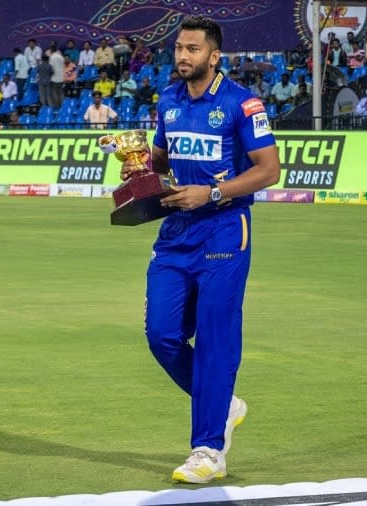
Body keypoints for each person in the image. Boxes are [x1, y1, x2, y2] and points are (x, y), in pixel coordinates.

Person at [120, 14, 280, 485]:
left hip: (226, 229)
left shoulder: (242, 103)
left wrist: (212, 193)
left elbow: (269, 170)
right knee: (162, 336)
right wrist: (135, 159)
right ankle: (225, 404)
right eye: (179, 49)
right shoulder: (168, 99)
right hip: (175, 232)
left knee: (214, 339)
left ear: (214, 56)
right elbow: (163, 155)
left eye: (193, 50)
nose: (183, 56)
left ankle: (208, 449)